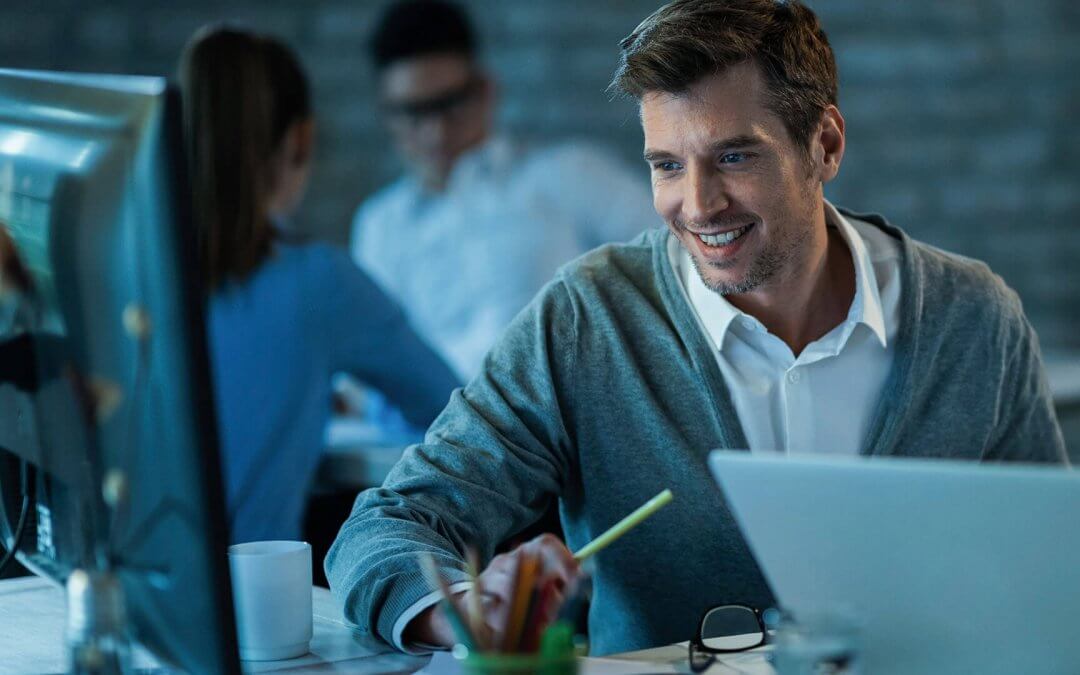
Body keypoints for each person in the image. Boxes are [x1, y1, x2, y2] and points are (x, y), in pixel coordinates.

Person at [326, 0, 1067, 656]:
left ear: (826, 146)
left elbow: (1051, 574)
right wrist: (460, 610)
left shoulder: (974, 321)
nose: (698, 203)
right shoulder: (589, 319)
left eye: (734, 156)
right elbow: (388, 527)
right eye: (667, 165)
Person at [179, 26, 460, 544]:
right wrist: (365, 398)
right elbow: (454, 414)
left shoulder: (133, 272)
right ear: (301, 139)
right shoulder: (319, 281)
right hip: (247, 611)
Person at [351, 0, 655, 381]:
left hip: (561, 419)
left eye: (450, 105)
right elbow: (371, 358)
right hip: (433, 429)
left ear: (485, 91)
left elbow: (672, 255)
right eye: (414, 112)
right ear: (387, 116)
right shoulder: (380, 224)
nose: (435, 131)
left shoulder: (568, 174)